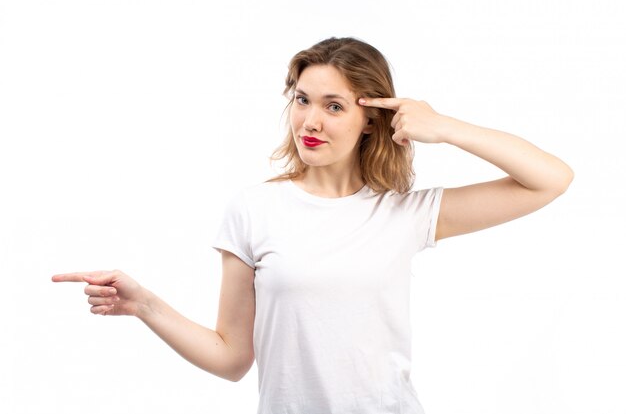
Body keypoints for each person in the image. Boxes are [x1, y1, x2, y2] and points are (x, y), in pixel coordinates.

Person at [52, 37, 574, 413]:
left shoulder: (402, 213)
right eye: (302, 100)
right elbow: (233, 358)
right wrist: (144, 305)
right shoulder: (254, 210)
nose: (311, 121)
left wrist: (446, 127)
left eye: (334, 105)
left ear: (371, 118)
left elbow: (550, 180)